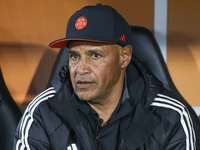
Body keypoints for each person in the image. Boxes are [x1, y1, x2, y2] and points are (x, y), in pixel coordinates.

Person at [13, 4, 200, 150]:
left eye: (95, 55)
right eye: (74, 56)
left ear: (124, 57)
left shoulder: (172, 117)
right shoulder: (42, 112)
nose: (81, 69)